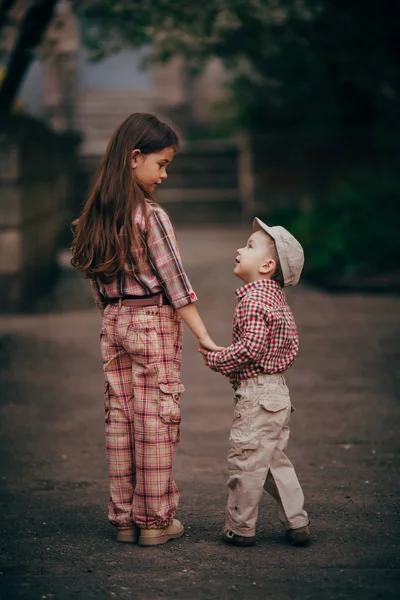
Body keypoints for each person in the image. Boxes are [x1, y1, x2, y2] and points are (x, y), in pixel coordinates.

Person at [71, 113, 222, 547]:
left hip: (113, 322)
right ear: (135, 157)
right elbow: (177, 285)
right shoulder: (149, 216)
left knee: (119, 419)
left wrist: (114, 314)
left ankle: (125, 520)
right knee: (155, 420)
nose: (165, 174)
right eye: (161, 163)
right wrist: (203, 336)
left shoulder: (97, 214)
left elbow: (95, 281)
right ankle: (154, 521)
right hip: (151, 321)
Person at [200, 218, 310, 547]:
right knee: (273, 461)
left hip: (257, 393)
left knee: (246, 461)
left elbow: (251, 348)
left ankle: (240, 527)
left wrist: (216, 358)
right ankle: (297, 520)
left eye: (249, 246)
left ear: (267, 265)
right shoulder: (275, 300)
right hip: (276, 392)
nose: (239, 249)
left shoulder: (253, 301)